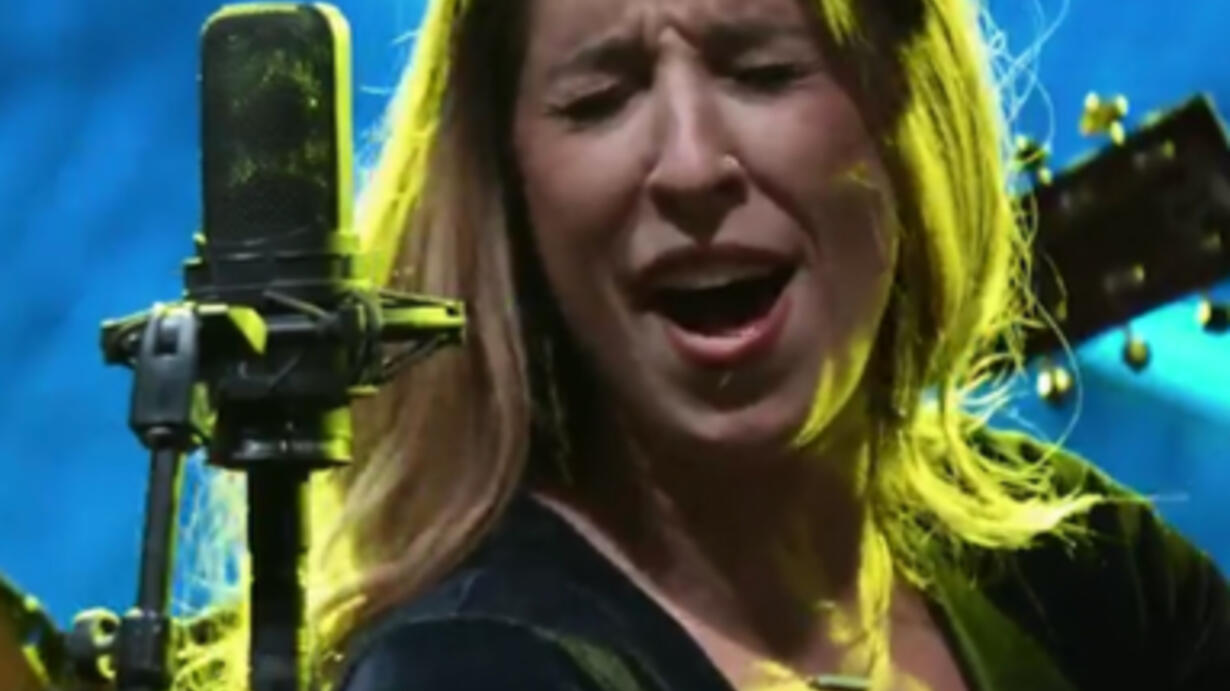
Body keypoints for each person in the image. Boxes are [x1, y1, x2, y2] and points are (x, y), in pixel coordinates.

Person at [298, 0, 1230, 689]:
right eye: (599, 98)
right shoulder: (469, 667)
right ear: (510, 188)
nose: (692, 164)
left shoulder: (1086, 565)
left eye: (761, 71)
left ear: (905, 107)